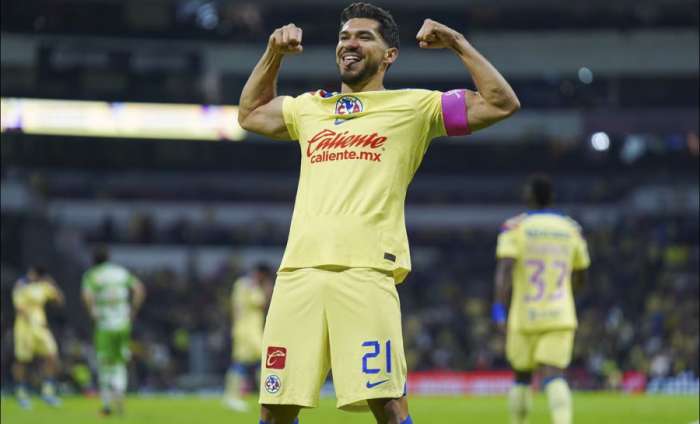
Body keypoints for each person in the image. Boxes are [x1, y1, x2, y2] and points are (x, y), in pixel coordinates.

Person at [237, 3, 519, 423]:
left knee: (388, 405)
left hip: (366, 272)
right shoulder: (311, 107)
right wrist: (273, 53)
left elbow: (501, 103)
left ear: (390, 55)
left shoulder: (415, 107)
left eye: (364, 37)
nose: (349, 43)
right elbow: (249, 114)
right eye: (344, 37)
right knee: (275, 408)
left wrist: (457, 42)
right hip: (298, 272)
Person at [493, 175, 591, 424]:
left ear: (528, 197)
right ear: (553, 198)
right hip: (559, 315)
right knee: (555, 375)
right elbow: (581, 272)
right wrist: (567, 295)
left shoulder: (514, 227)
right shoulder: (571, 228)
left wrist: (498, 308)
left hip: (524, 315)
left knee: (522, 376)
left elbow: (505, 268)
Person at [81, 245, 146, 417]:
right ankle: (120, 399)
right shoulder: (120, 272)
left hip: (105, 325)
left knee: (104, 364)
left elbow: (87, 296)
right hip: (123, 324)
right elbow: (139, 289)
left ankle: (107, 406)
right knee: (119, 363)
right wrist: (133, 310)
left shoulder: (92, 275)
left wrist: (92, 313)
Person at [12, 265, 65, 409]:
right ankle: (21, 393)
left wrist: (53, 284)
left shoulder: (43, 287)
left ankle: (47, 392)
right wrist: (32, 320)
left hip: (41, 329)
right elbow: (18, 308)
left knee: (52, 356)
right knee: (22, 361)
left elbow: (60, 301)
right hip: (24, 328)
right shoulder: (21, 285)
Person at [223, 263, 274, 412]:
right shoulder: (250, 284)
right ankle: (268, 395)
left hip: (242, 328)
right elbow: (260, 303)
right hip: (250, 331)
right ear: (261, 274)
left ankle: (233, 397)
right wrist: (267, 289)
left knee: (243, 362)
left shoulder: (241, 283)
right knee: (265, 359)